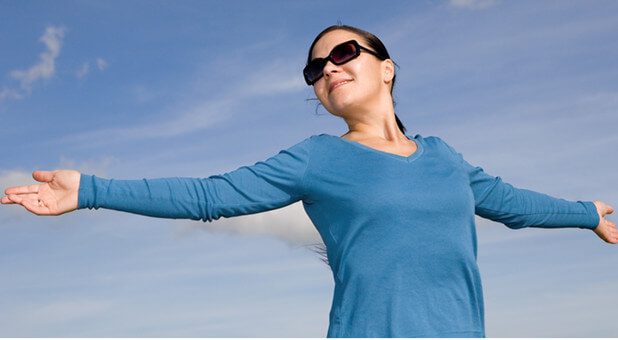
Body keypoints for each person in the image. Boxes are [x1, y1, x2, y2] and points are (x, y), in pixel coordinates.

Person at [2, 25, 616, 338]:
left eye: (343, 54)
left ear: (387, 68)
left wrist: (589, 213)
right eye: (315, 70)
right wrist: (90, 190)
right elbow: (209, 195)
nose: (328, 70)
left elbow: (514, 205)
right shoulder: (316, 159)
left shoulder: (447, 158)